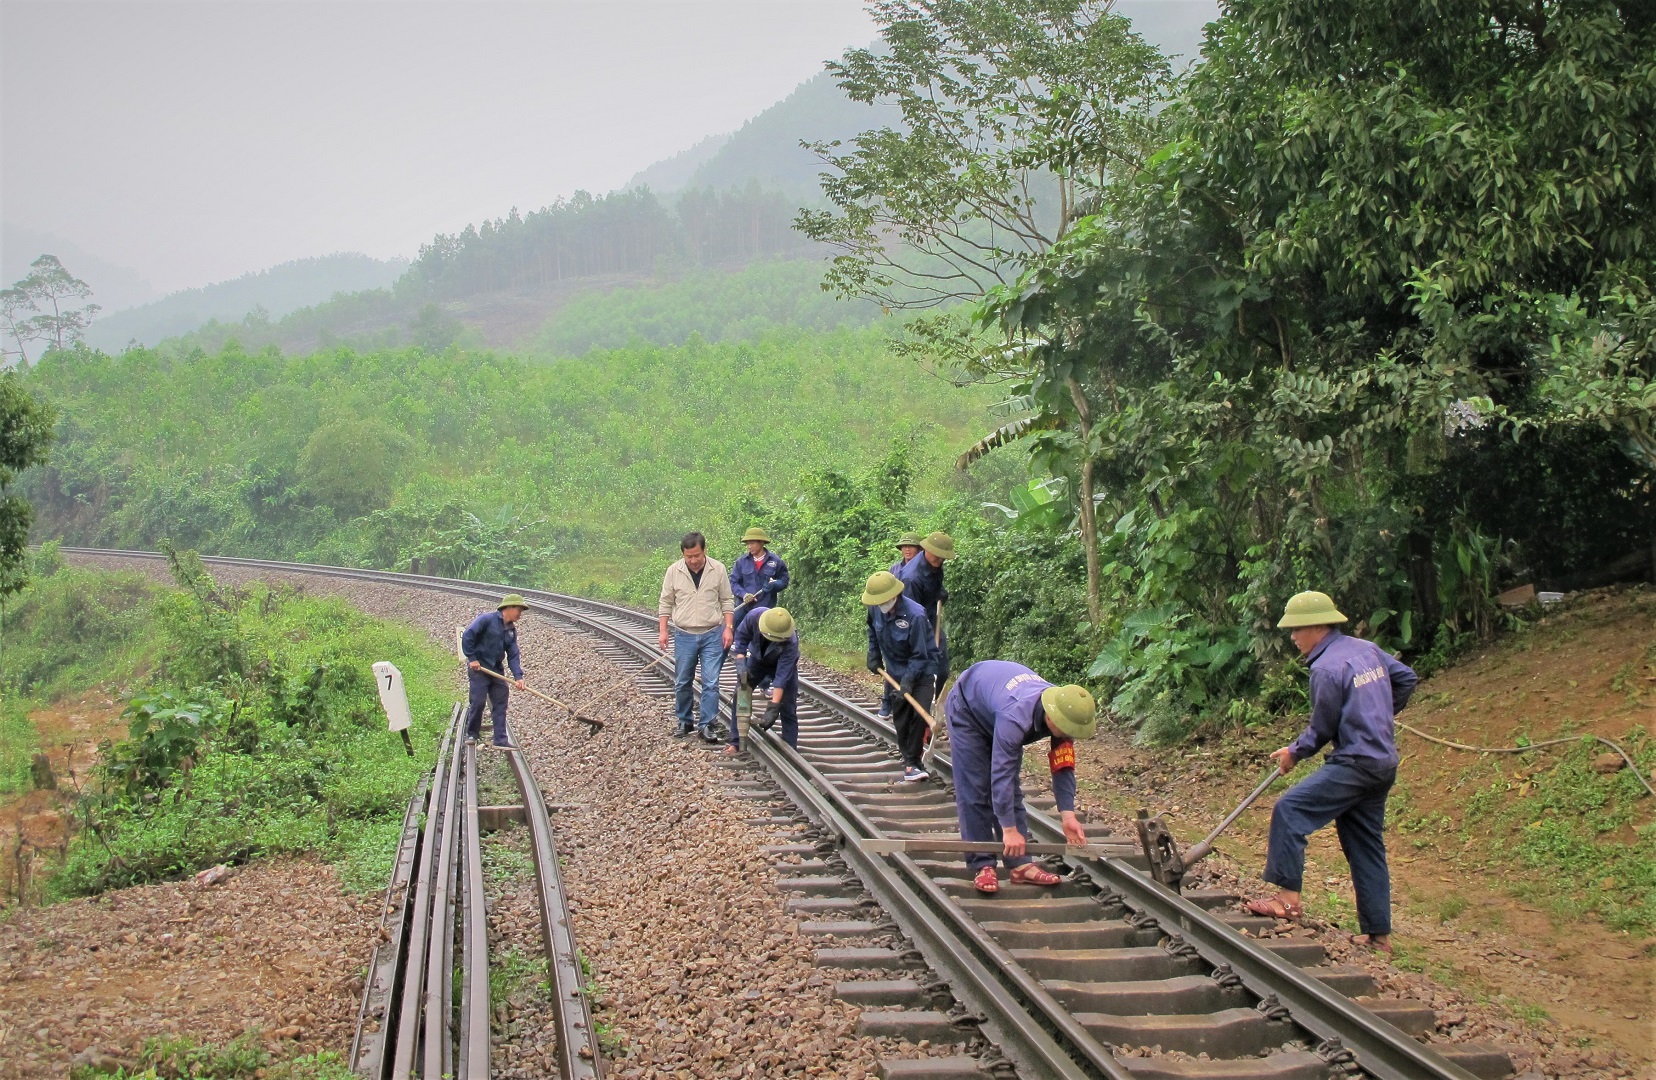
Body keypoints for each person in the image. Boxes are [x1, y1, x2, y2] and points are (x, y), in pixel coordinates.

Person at [1245, 590, 1418, 953]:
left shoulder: (1326, 668)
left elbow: (1321, 728)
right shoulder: (1366, 649)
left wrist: (1295, 752)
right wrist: (1378, 716)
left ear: (1318, 626)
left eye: (1296, 630)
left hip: (1355, 763)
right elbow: (1406, 679)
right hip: (1383, 763)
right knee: (1364, 843)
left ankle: (1287, 901)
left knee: (1290, 811)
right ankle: (1378, 935)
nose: (1292, 638)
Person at [944, 660, 1095, 894]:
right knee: (976, 788)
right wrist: (1009, 830)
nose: (1068, 736)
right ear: (1052, 719)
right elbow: (1000, 775)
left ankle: (1020, 865)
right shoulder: (1016, 716)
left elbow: (1063, 767)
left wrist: (1068, 816)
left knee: (1011, 789)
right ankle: (982, 864)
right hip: (967, 709)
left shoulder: (1065, 709)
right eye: (1066, 731)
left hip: (994, 703)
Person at [657, 532, 735, 742]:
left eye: (697, 555)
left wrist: (728, 627)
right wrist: (663, 630)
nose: (693, 560)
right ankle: (684, 720)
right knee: (683, 680)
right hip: (684, 634)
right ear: (683, 554)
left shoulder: (717, 569)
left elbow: (727, 600)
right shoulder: (674, 571)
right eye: (688, 556)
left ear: (704, 551)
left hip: (712, 633)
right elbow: (665, 602)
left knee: (711, 681)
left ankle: (707, 724)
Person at [860, 570, 936, 781]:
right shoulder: (875, 609)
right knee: (901, 718)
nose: (881, 605)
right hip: (894, 670)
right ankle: (910, 757)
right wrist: (874, 655)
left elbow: (921, 655)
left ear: (894, 596)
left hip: (922, 671)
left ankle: (912, 763)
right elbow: (872, 632)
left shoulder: (916, 615)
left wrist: (909, 681)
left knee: (918, 716)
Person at [725, 606, 800, 754]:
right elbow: (741, 639)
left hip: (780, 663)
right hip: (757, 660)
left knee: (788, 705)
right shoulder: (754, 616)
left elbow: (781, 679)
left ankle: (790, 748)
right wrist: (741, 665)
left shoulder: (791, 643)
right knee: (741, 694)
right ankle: (736, 741)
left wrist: (773, 707)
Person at [895, 530, 954, 711]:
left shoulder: (936, 564)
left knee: (942, 670)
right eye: (938, 557)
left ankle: (929, 706)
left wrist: (939, 593)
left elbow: (934, 588)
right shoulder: (911, 578)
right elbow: (910, 614)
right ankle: (915, 710)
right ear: (928, 551)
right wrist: (925, 643)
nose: (941, 561)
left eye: (943, 558)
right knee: (923, 670)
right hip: (915, 627)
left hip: (931, 620)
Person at [461, 594, 529, 748]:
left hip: (496, 670)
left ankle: (500, 739)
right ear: (509, 608)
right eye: (519, 610)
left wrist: (518, 676)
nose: (520, 614)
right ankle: (472, 733)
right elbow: (468, 636)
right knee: (478, 702)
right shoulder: (486, 620)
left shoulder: (511, 630)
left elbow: (513, 654)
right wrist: (472, 658)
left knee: (500, 703)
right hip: (479, 669)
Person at [879, 532, 926, 719]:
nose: (907, 549)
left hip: (917, 622)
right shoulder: (894, 570)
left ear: (919, 549)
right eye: (904, 546)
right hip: (895, 621)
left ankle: (912, 705)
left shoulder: (925, 571)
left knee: (918, 664)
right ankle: (887, 702)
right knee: (893, 664)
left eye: (911, 546)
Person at [728, 526, 790, 630]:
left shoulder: (776, 562)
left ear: (761, 542)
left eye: (752, 543)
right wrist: (744, 595)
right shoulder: (741, 562)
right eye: (747, 543)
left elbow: (784, 581)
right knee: (731, 630)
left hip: (765, 609)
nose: (749, 546)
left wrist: (774, 585)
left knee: (762, 638)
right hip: (743, 608)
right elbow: (733, 582)